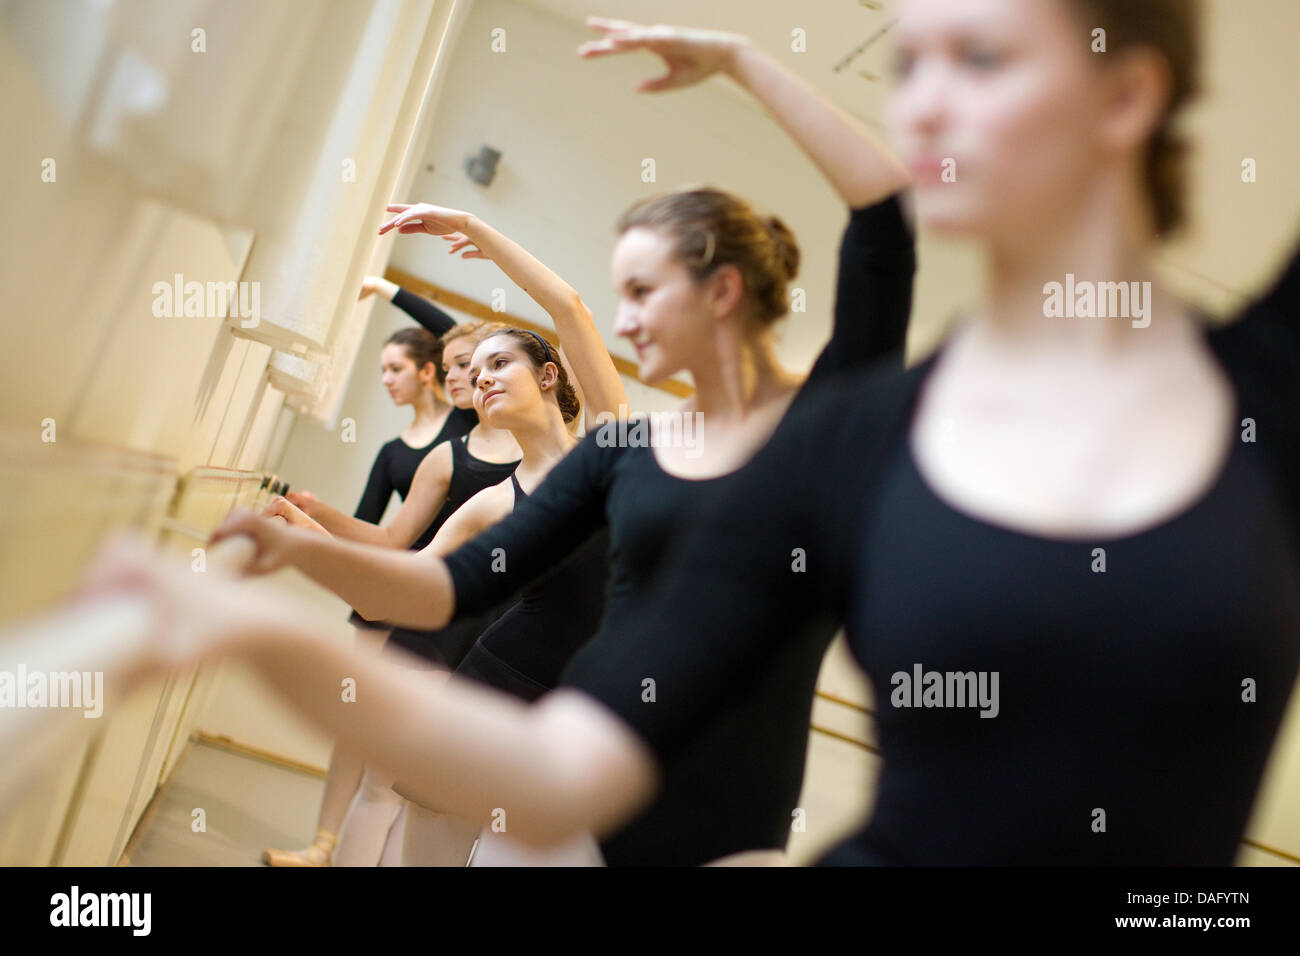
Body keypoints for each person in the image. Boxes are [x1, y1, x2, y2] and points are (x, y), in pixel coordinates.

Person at [206, 19, 915, 866]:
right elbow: (445, 585)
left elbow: (887, 219)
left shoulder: (827, 425)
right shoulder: (622, 453)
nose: (622, 323)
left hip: (719, 830)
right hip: (564, 797)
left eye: (644, 293)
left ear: (722, 292)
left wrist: (741, 62)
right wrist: (290, 550)